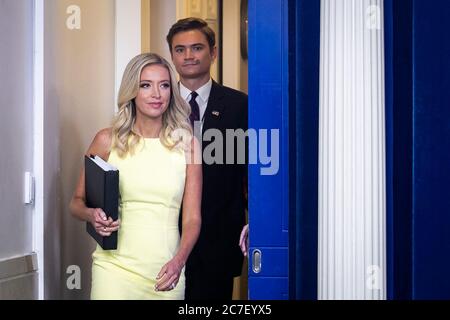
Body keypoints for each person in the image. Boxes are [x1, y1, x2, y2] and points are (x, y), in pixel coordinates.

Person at [69, 53, 202, 300]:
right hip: (113, 270)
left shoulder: (188, 145)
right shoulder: (107, 140)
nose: (156, 94)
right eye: (145, 85)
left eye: (164, 85)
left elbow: (192, 218)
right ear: (132, 90)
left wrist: (179, 262)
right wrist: (91, 214)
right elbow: (76, 203)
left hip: (166, 273)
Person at [167, 17, 248, 300]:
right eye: (180, 49)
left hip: (219, 237)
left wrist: (258, 220)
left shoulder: (241, 106)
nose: (188, 56)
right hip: (164, 237)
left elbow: (251, 173)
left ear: (213, 52)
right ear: (172, 55)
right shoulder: (156, 104)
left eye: (197, 48)